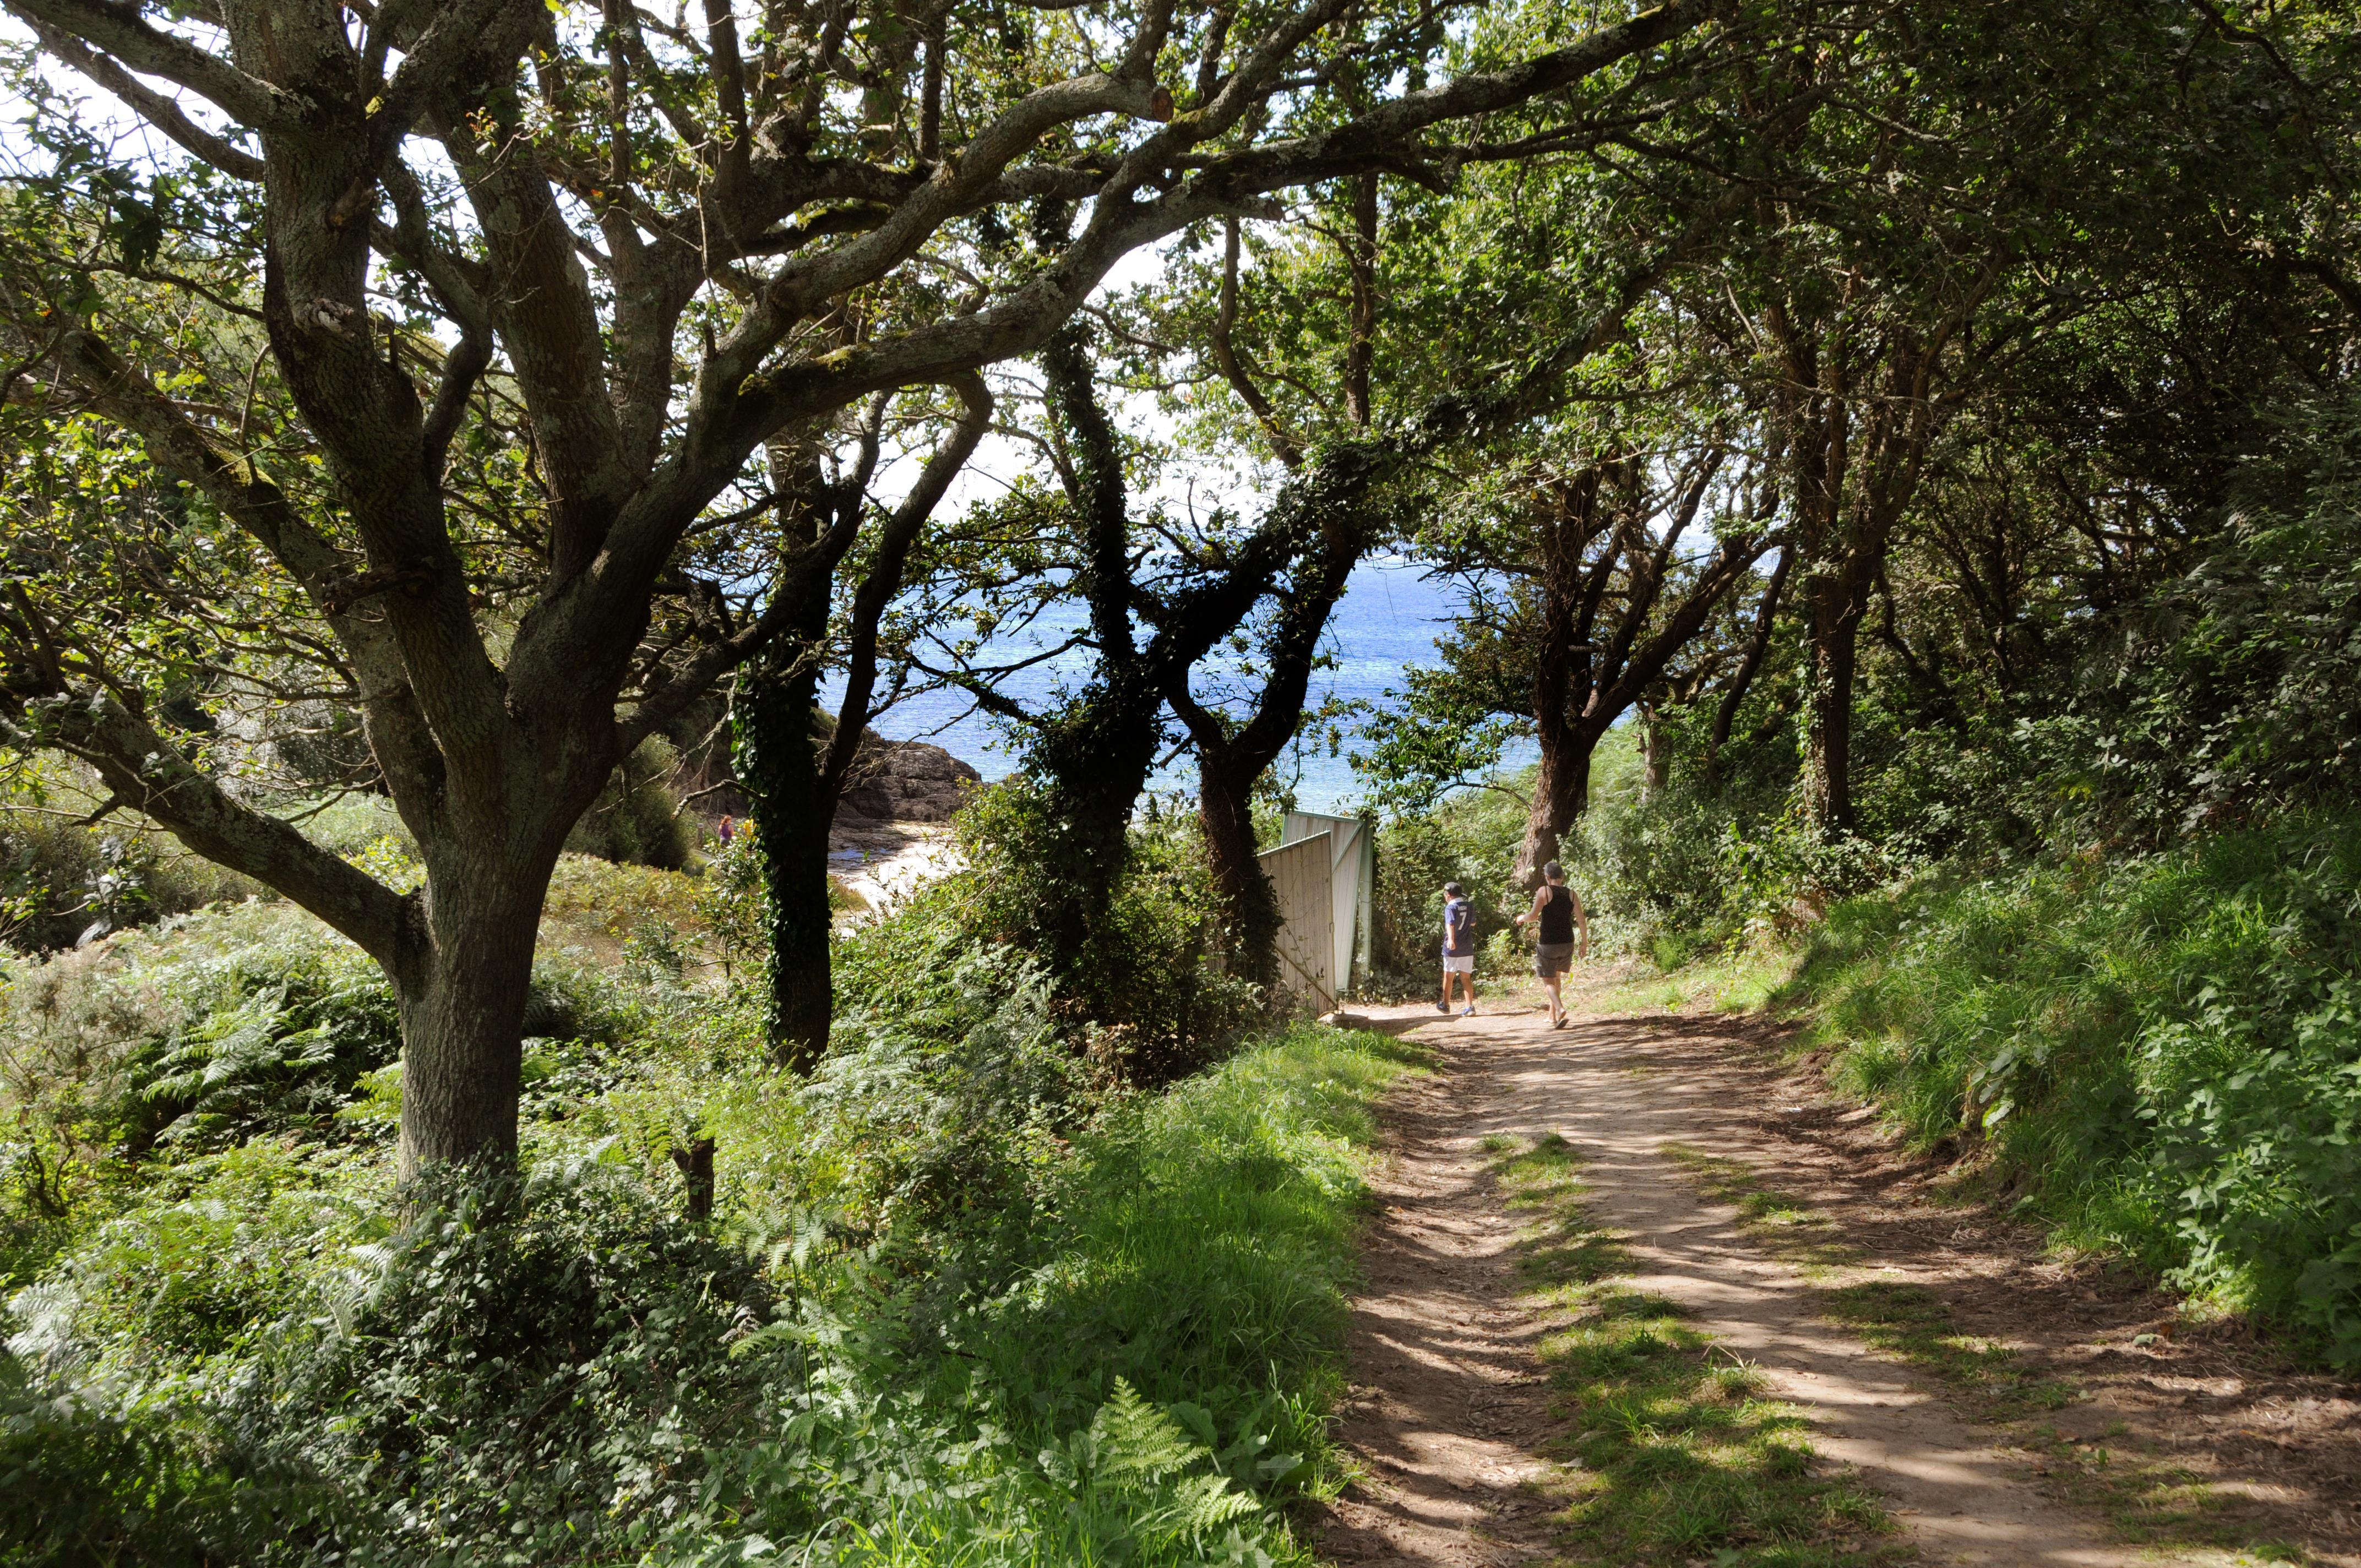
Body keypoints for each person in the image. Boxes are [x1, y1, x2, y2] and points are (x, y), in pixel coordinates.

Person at [1515, 860, 1588, 1029]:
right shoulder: (1572, 894)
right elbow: (1581, 920)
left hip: (1549, 943)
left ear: (1548, 877)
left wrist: (1522, 918)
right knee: (1556, 978)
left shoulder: (1544, 891)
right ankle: (1552, 1016)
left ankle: (1561, 1008)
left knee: (1548, 981)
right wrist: (1584, 943)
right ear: (1562, 877)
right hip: (1568, 942)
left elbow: (1533, 916)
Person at [1437, 880, 1478, 1017]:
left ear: (1448, 895)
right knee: (1466, 978)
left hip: (1452, 948)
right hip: (1467, 946)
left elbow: (1450, 924)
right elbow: (1473, 923)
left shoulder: (1450, 907)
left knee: (1449, 976)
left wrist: (1452, 940)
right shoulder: (1469, 905)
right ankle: (1469, 1007)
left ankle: (1446, 1005)